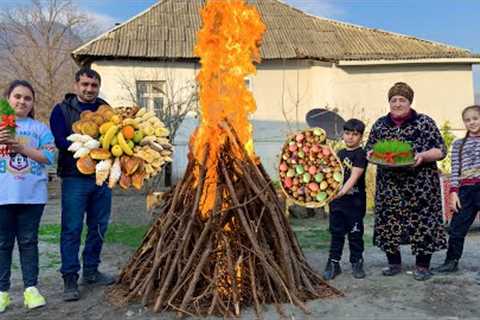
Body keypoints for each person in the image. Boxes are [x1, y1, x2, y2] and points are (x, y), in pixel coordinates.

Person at [365, 82, 447, 281]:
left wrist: (422, 156)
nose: (397, 103)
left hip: (421, 185)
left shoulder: (424, 122)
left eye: (402, 100)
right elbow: (369, 150)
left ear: (410, 102)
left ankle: (422, 266)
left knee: (423, 221)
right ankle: (393, 263)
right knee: (388, 221)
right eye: (394, 100)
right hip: (389, 185)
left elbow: (440, 150)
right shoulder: (380, 124)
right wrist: (373, 155)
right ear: (389, 102)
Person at [49, 68, 115, 302]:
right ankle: (69, 278)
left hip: (101, 177)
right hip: (74, 178)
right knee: (72, 228)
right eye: (85, 84)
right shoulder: (62, 110)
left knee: (99, 226)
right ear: (76, 85)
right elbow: (60, 140)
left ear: (98, 87)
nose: (89, 89)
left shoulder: (105, 109)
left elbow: (115, 139)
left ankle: (91, 271)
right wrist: (89, 146)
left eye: (93, 86)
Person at [0, 80, 56, 312]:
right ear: (7, 99)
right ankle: (2, 292)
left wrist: (20, 148)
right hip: (2, 196)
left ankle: (31, 290)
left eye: (27, 98)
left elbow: (49, 158)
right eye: (17, 96)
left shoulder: (39, 129)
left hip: (32, 196)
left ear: (32, 103)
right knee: (2, 244)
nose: (22, 101)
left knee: (28, 242)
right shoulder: (1, 125)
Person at [433, 105, 480, 275]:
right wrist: (453, 192)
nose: (471, 122)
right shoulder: (459, 144)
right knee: (456, 228)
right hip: (465, 190)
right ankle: (451, 261)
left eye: (475, 118)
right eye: (467, 120)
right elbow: (455, 170)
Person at [323, 119, 368, 280]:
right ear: (343, 134)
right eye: (347, 133)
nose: (350, 137)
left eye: (355, 134)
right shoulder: (339, 154)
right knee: (337, 233)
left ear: (361, 137)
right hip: (337, 203)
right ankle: (334, 263)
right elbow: (330, 173)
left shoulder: (361, 154)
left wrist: (341, 192)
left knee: (355, 234)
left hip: (354, 202)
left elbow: (354, 177)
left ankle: (357, 262)